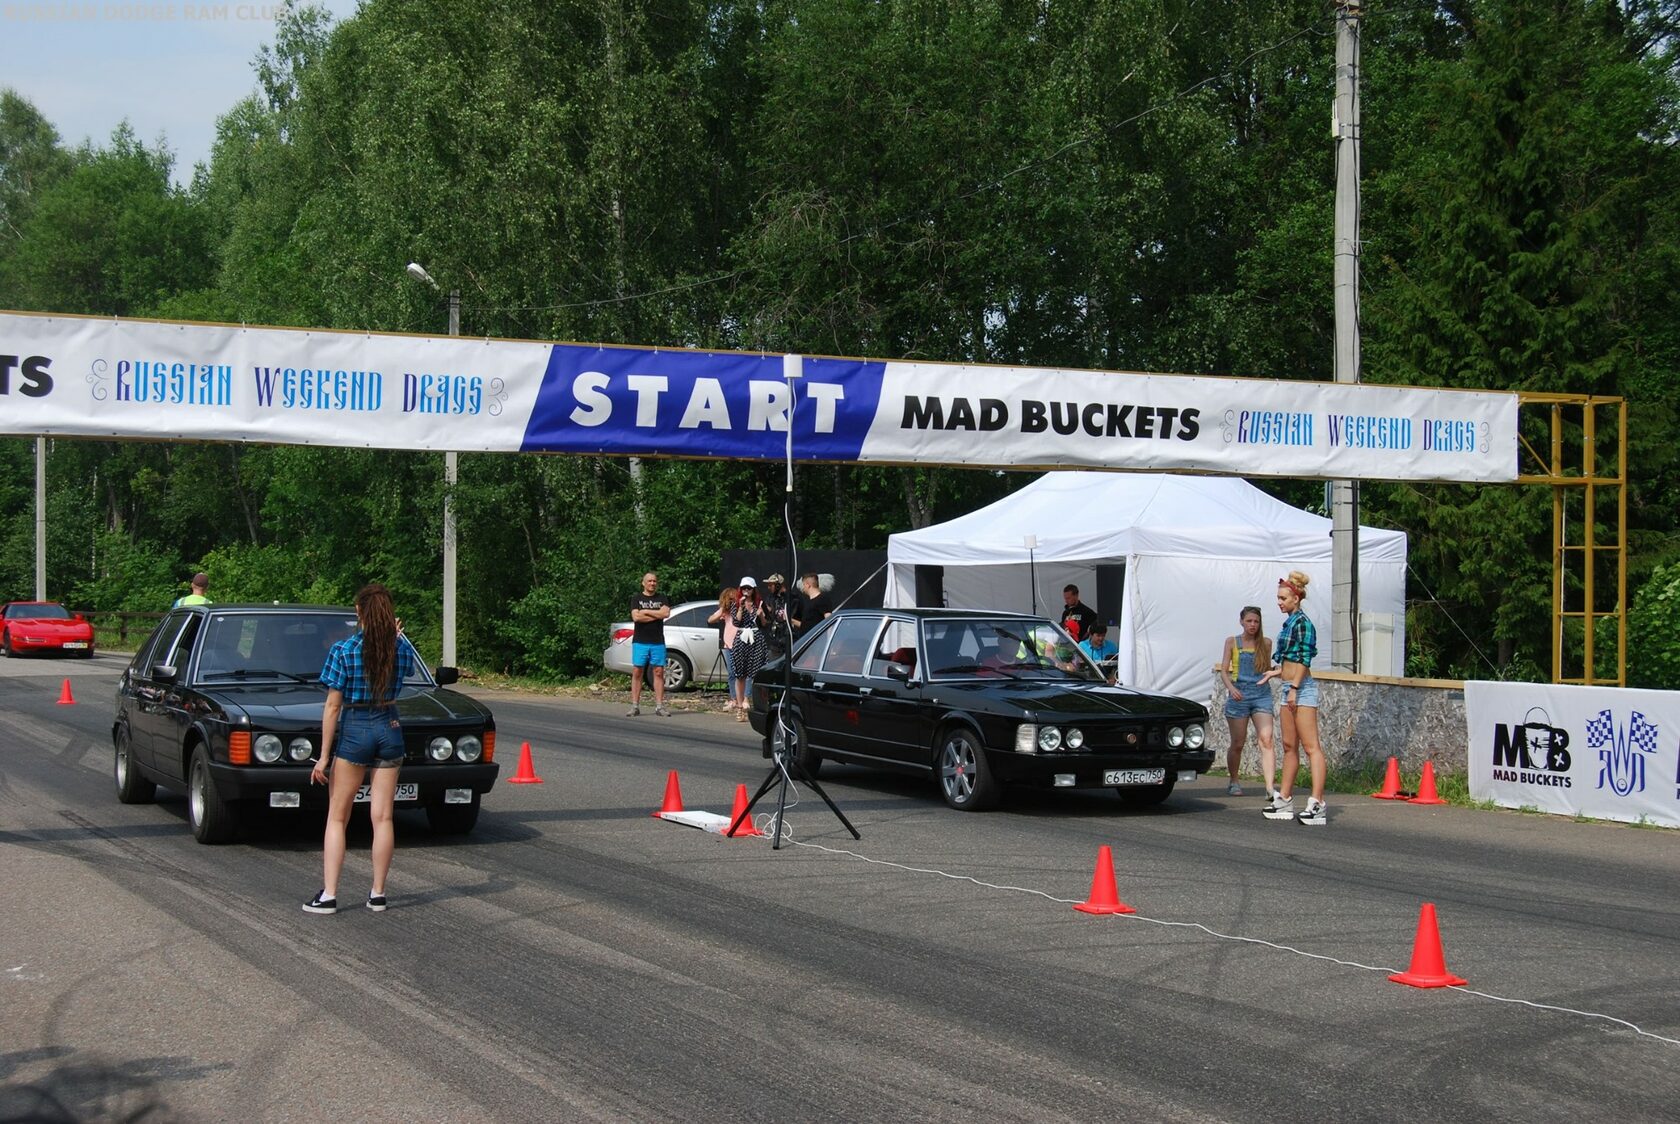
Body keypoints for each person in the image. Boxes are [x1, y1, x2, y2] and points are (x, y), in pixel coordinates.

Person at [304, 583, 414, 914]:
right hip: (390, 727)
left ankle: (330, 895)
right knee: (382, 817)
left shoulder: (343, 650)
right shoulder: (400, 649)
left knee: (338, 816)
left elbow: (332, 708)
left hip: (356, 728)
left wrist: (323, 757)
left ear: (358, 612)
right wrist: (398, 637)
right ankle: (378, 893)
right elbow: (406, 665)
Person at [1258, 571, 1325, 826]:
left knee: (1311, 747)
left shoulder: (1303, 623)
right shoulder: (1289, 622)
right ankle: (1284, 798)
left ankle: (1317, 802)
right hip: (1288, 687)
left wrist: (1295, 686)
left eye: (1283, 597)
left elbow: (1305, 660)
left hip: (1301, 688)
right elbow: (1289, 659)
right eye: (1278, 597)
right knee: (1288, 746)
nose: (1279, 602)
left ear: (1296, 598)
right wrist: (1276, 672)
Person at [1218, 606, 1276, 799]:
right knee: (1238, 743)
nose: (1253, 625)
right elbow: (1225, 670)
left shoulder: (1265, 643)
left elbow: (1266, 667)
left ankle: (1269, 787)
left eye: (1256, 621)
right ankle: (1234, 780)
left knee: (1266, 739)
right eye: (1249, 621)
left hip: (1261, 694)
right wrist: (1231, 688)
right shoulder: (1232, 642)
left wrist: (1273, 672)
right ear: (1242, 621)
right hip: (1239, 695)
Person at [627, 571, 672, 717]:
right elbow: (636, 617)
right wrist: (655, 614)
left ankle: (659, 706)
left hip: (657, 641)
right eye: (649, 581)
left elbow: (665, 614)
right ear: (643, 583)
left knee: (658, 672)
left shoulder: (662, 598)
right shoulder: (636, 598)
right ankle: (635, 706)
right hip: (640, 640)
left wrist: (646, 611)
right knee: (637, 672)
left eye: (654, 581)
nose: (652, 583)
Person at [728, 577, 769, 721]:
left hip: (756, 638)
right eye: (744, 588)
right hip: (741, 638)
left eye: (749, 588)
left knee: (754, 671)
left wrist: (762, 616)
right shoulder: (736, 604)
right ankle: (740, 707)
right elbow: (736, 621)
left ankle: (747, 699)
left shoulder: (759, 604)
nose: (746, 590)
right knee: (740, 673)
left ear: (753, 590)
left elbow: (765, 624)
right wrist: (740, 606)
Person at [708, 586, 740, 711]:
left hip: (739, 644)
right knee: (731, 673)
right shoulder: (724, 611)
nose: (732, 602)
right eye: (730, 599)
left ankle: (741, 699)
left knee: (740, 673)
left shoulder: (740, 609)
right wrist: (722, 611)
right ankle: (733, 699)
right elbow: (710, 619)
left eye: (733, 599)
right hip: (728, 644)